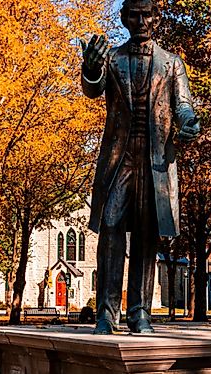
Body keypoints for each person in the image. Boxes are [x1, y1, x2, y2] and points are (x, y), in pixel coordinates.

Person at [81, 0, 200, 335]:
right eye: (133, 14)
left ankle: (140, 314)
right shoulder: (112, 58)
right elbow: (92, 88)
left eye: (147, 14)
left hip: (155, 161)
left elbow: (184, 104)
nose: (141, 20)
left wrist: (189, 121)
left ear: (157, 18)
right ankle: (106, 314)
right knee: (111, 229)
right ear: (123, 18)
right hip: (119, 159)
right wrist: (90, 69)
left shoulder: (172, 63)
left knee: (147, 238)